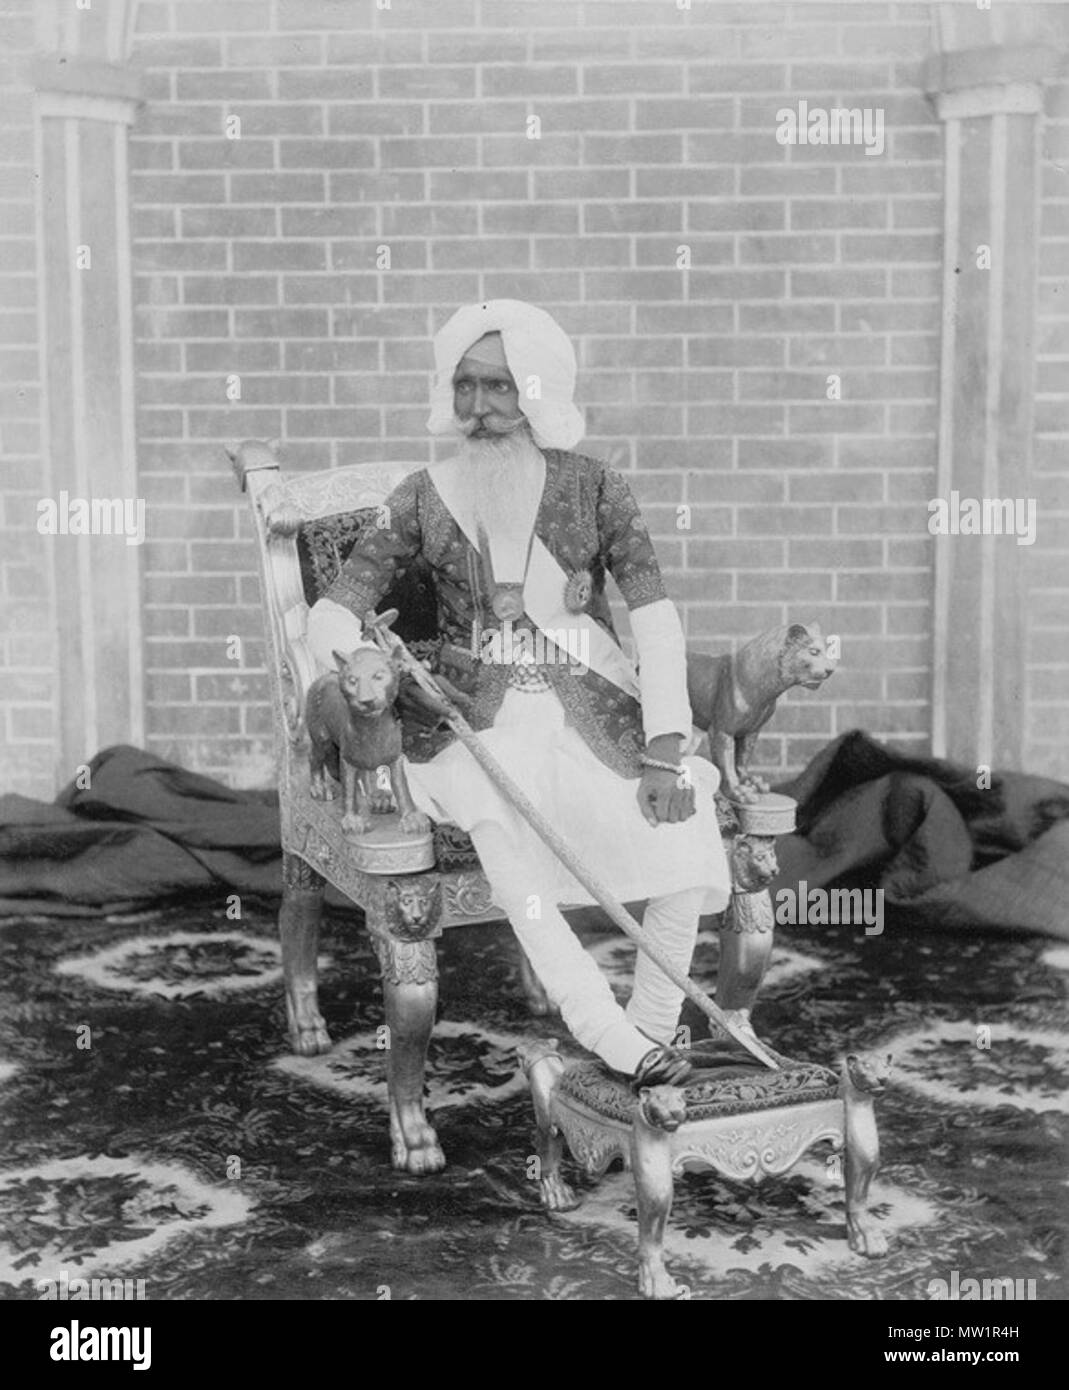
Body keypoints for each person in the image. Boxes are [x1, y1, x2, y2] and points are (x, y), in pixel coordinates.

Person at [308, 299, 730, 1088]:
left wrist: (668, 747)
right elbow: (336, 607)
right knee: (507, 837)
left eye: (499, 388)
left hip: (597, 705)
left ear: (537, 392)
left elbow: (654, 616)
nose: (478, 410)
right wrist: (376, 668)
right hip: (469, 718)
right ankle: (607, 1035)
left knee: (685, 824)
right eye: (465, 387)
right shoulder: (422, 494)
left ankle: (650, 1033)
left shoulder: (597, 487)